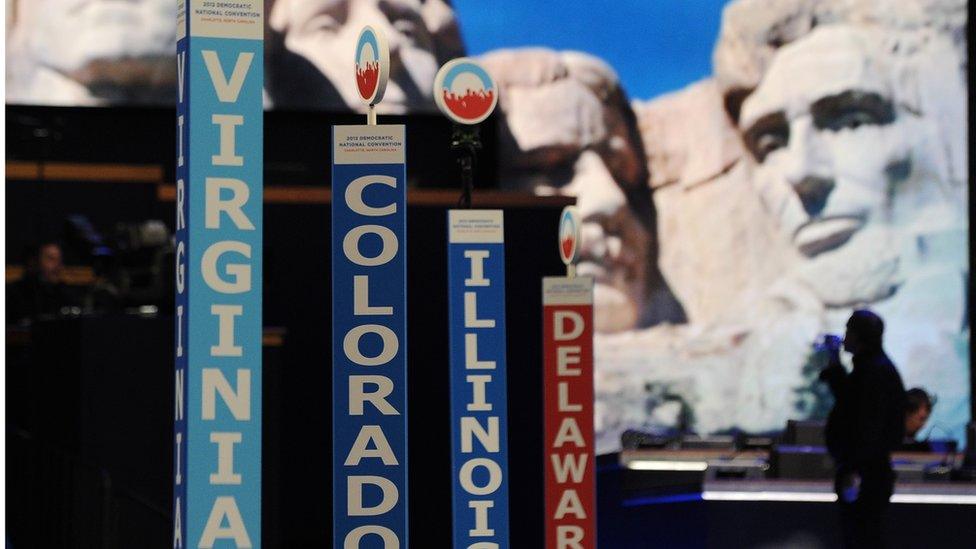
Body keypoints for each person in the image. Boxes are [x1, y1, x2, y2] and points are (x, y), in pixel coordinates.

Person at [819, 310, 906, 548]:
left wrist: (853, 467)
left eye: (848, 331)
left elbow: (862, 420)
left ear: (859, 336)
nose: (844, 337)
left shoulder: (874, 372)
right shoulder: (873, 369)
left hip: (865, 474)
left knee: (862, 537)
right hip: (864, 471)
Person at [6, 241, 80, 323]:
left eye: (59, 260)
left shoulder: (64, 291)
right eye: (51, 259)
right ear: (34, 262)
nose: (58, 266)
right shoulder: (15, 293)